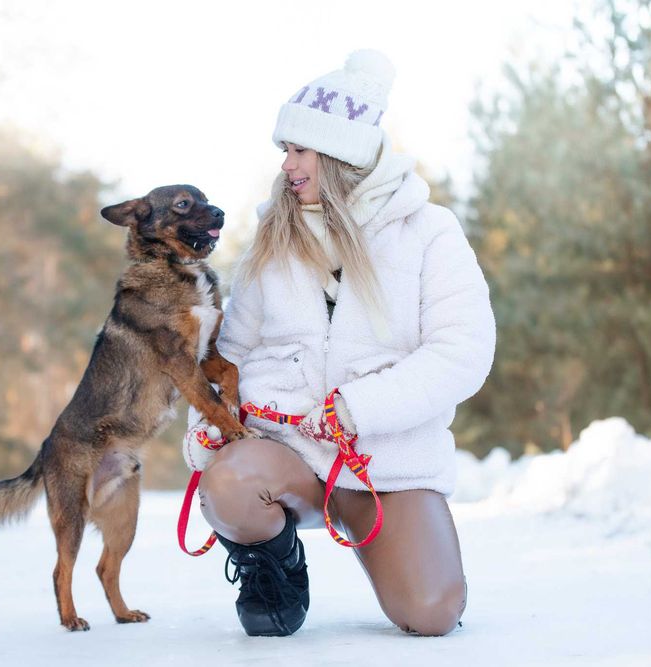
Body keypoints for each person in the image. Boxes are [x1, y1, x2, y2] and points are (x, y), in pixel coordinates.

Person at [182, 49, 496, 637]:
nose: (287, 166)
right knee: (230, 479)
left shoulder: (429, 233)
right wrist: (210, 417)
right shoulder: (271, 238)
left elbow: (464, 351)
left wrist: (358, 409)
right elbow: (233, 353)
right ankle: (273, 561)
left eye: (299, 150)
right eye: (284, 152)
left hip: (386, 461)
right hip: (287, 451)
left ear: (339, 152)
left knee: (430, 613)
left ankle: (398, 552)